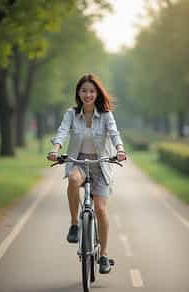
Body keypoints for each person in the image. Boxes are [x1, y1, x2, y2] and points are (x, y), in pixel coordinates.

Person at [48, 73, 126, 274]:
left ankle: (104, 255)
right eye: (84, 90)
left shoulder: (107, 115)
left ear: (97, 93)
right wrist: (56, 149)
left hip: (101, 166)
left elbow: (115, 133)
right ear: (78, 93)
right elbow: (63, 131)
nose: (88, 94)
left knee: (100, 209)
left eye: (92, 91)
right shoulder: (71, 114)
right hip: (79, 162)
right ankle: (75, 224)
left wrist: (119, 150)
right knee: (73, 179)